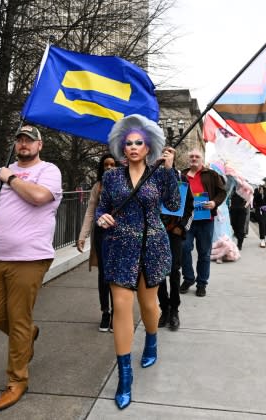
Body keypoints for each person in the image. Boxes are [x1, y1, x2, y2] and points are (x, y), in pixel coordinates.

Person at [0, 125, 62, 411]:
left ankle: (16, 381)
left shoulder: (48, 170)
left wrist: (11, 178)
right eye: (20, 140)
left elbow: (39, 197)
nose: (23, 144)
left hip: (30, 257)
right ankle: (28, 336)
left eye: (29, 141)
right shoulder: (2, 171)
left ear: (40, 145)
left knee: (18, 317)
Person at [96, 114, 179, 410]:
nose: (132, 147)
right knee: (121, 307)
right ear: (122, 147)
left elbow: (173, 205)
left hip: (153, 245)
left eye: (138, 143)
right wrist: (100, 218)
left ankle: (152, 340)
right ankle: (125, 376)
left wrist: (170, 171)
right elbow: (103, 207)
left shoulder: (159, 174)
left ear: (148, 148)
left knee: (148, 306)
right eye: (128, 143)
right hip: (120, 246)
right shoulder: (111, 176)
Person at [77, 153, 117, 333]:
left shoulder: (125, 185)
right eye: (106, 165)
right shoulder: (97, 187)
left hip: (119, 236)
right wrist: (82, 235)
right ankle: (105, 312)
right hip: (101, 235)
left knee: (117, 275)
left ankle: (118, 313)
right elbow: (90, 211)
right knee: (104, 276)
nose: (109, 167)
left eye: (112, 164)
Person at [180, 148, 226, 297]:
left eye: (197, 156)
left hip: (206, 220)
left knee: (204, 253)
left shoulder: (211, 175)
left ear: (202, 159)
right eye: (191, 156)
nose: (194, 158)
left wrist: (214, 202)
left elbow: (222, 192)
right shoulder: (181, 175)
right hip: (188, 219)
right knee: (184, 248)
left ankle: (201, 283)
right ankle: (189, 278)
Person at [158, 148, 194, 331]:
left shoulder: (182, 179)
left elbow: (190, 208)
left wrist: (181, 228)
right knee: (158, 274)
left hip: (174, 232)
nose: (166, 155)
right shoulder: (152, 176)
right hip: (155, 233)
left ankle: (174, 311)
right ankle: (163, 309)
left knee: (173, 271)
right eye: (164, 152)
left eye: (170, 152)